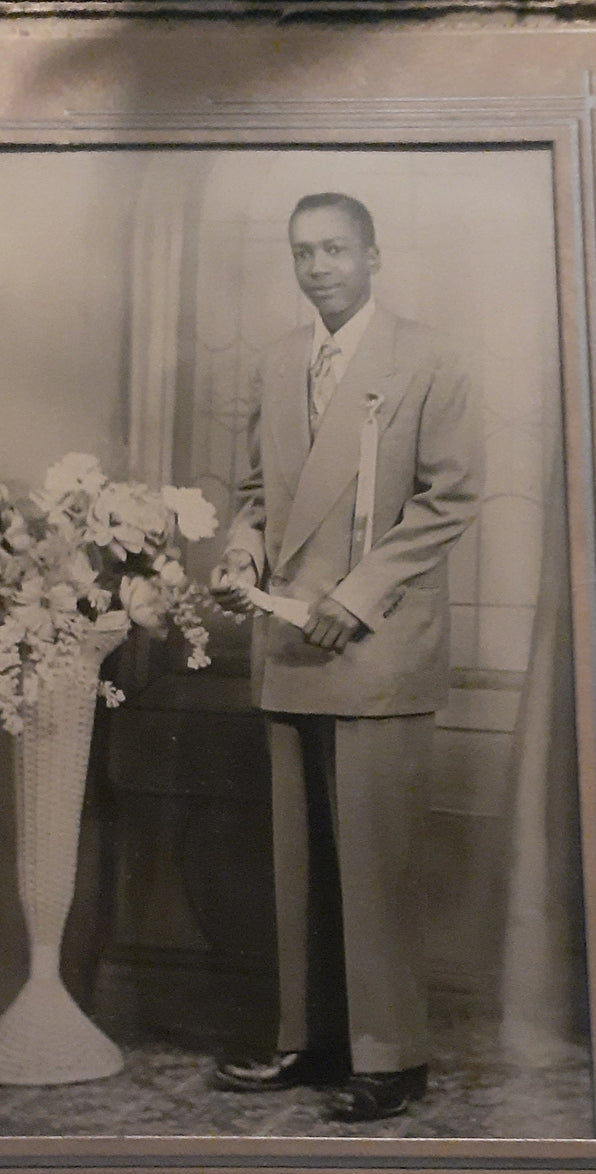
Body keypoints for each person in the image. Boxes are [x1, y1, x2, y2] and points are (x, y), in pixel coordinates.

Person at [210, 192, 481, 1121]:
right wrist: (243, 549)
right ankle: (312, 1043)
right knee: (305, 861)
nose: (317, 266)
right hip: (289, 638)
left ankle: (394, 1057)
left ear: (373, 255)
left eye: (335, 249)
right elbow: (256, 492)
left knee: (377, 864)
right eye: (302, 252)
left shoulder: (429, 355)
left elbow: (449, 500)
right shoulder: (282, 361)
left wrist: (355, 598)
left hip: (375, 643)